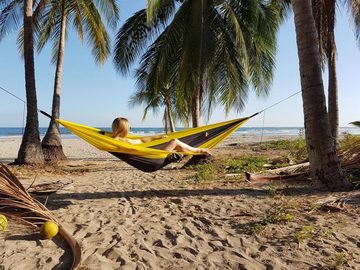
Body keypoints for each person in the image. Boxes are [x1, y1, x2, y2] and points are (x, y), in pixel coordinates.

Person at [112, 117, 211, 154]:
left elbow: (142, 140)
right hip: (152, 155)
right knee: (174, 141)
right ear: (123, 128)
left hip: (151, 151)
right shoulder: (118, 140)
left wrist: (158, 137)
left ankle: (197, 151)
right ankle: (200, 150)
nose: (130, 129)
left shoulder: (125, 138)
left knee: (178, 146)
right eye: (129, 127)